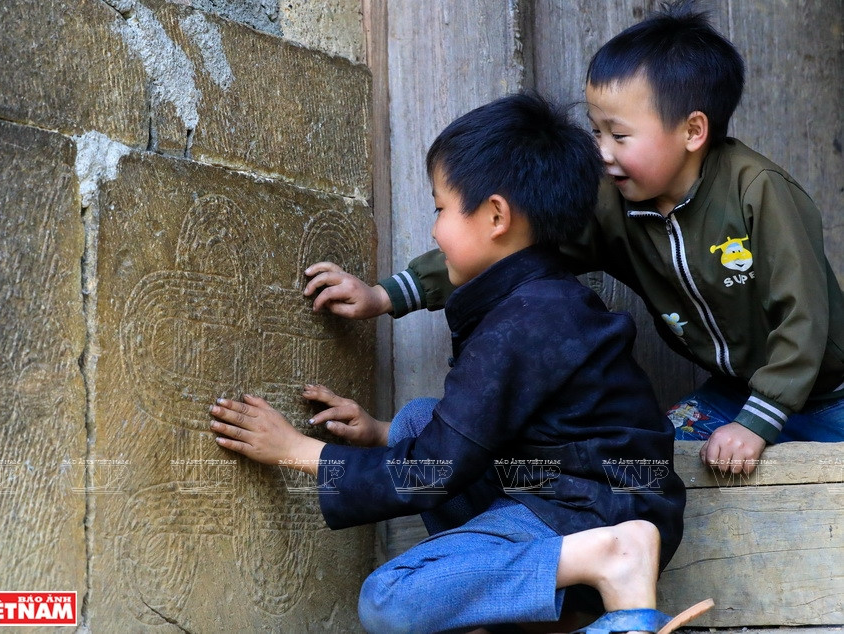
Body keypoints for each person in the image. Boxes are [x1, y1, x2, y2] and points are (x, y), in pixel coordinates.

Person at [210, 92, 711, 633]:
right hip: (575, 487)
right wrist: (380, 434)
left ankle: (610, 557)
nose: (434, 229)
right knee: (421, 419)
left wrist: (298, 451)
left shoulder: (525, 321)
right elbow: (471, 435)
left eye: (441, 208)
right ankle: (577, 605)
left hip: (594, 506)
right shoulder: (535, 298)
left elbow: (439, 470)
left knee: (389, 599)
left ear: (496, 215)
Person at [305, 0, 844, 477]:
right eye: (595, 130)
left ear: (693, 131)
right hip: (733, 396)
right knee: (649, 465)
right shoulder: (614, 202)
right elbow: (512, 243)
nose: (602, 150)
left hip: (827, 396)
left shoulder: (758, 192)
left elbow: (805, 315)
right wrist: (388, 294)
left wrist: (760, 421)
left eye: (620, 134)